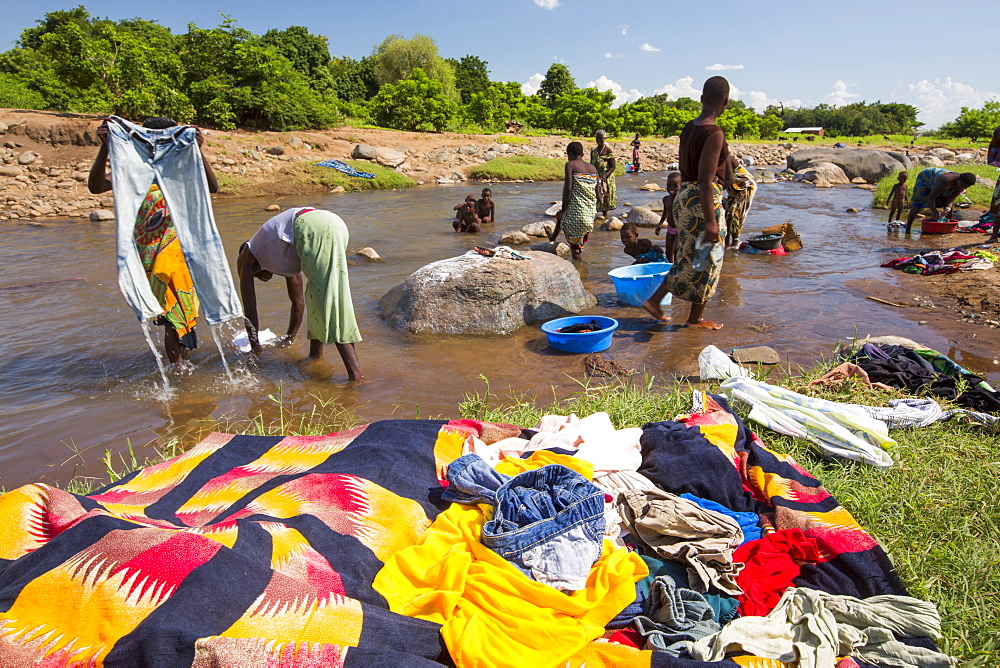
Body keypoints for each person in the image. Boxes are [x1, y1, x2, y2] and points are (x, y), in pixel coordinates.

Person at [88, 117, 218, 371]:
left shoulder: (181, 168)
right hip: (151, 252)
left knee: (182, 306)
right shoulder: (133, 171)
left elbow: (212, 186)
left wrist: (198, 150)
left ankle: (180, 364)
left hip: (182, 249)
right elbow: (95, 187)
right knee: (171, 309)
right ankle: (178, 368)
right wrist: (105, 147)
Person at [642, 76, 732, 330]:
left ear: (702, 99)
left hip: (685, 198)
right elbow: (705, 179)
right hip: (702, 202)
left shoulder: (690, 127)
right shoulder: (714, 133)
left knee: (691, 257)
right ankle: (692, 317)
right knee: (707, 259)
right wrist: (712, 221)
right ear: (725, 102)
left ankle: (664, 305)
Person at [237, 207, 363, 381]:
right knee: (315, 295)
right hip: (333, 223)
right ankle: (315, 357)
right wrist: (289, 338)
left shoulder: (246, 254)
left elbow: (250, 310)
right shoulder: (283, 249)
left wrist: (256, 349)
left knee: (329, 300)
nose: (261, 279)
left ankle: (355, 376)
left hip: (312, 228)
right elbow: (299, 302)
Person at [548, 141, 599, 260]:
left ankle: (579, 272)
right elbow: (597, 191)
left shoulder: (570, 165)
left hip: (578, 213)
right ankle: (552, 237)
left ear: (570, 154)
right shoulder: (592, 168)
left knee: (575, 250)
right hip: (589, 213)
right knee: (578, 244)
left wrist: (564, 208)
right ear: (582, 154)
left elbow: (568, 189)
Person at [904, 168, 978, 233]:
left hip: (941, 184)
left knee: (948, 206)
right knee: (918, 203)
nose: (961, 188)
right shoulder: (946, 180)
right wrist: (934, 211)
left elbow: (951, 198)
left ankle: (949, 226)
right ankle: (908, 228)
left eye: (965, 187)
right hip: (927, 177)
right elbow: (931, 197)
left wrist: (948, 207)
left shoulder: (961, 184)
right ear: (958, 180)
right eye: (962, 185)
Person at [723, 155, 757, 248]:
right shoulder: (712, 157)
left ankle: (735, 242)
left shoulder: (726, 157)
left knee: (736, 214)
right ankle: (726, 243)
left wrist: (717, 192)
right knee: (727, 213)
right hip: (734, 189)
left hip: (746, 186)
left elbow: (729, 179)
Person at [654, 171, 682, 262]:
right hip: (670, 228)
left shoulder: (682, 200)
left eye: (675, 186)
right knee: (668, 252)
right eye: (669, 185)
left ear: (681, 186)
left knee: (677, 249)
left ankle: (679, 268)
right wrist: (659, 225)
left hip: (680, 228)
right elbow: (665, 213)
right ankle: (671, 268)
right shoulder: (666, 199)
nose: (671, 188)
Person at [591, 129, 617, 218]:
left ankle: (605, 216)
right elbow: (591, 164)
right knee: (595, 195)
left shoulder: (608, 151)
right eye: (597, 138)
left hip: (606, 177)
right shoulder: (594, 151)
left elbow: (613, 167)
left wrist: (605, 176)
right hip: (596, 176)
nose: (598, 140)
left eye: (600, 138)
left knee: (605, 195)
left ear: (604, 138)